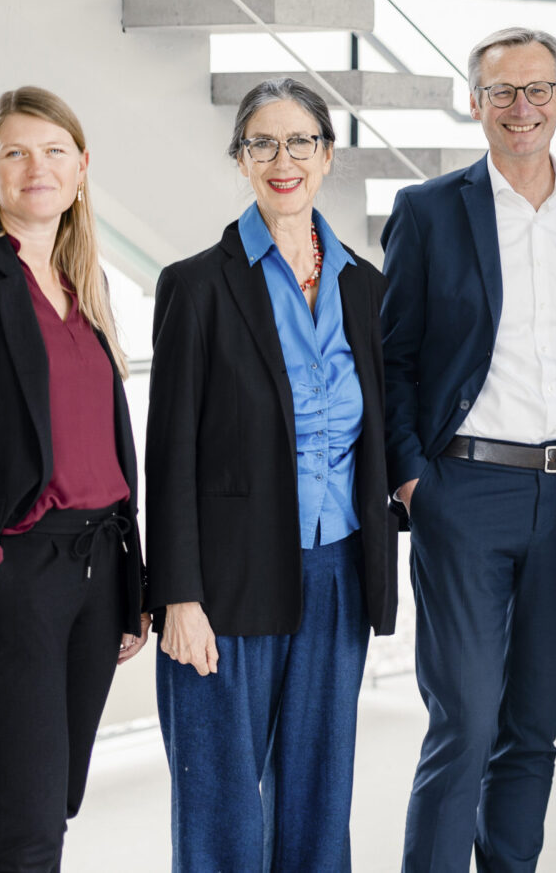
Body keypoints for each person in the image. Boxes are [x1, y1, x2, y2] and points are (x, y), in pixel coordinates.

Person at [381, 26, 556, 871]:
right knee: (466, 719)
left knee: (532, 725)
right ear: (475, 101)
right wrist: (415, 481)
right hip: (465, 489)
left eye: (537, 90)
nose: (521, 108)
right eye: (502, 92)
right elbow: (392, 358)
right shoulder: (428, 211)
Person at [144, 77, 399, 872]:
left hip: (338, 573)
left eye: (300, 143)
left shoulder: (365, 284)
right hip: (224, 583)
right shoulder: (197, 285)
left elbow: (382, 434)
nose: (282, 159)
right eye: (263, 143)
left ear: (326, 157)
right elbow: (170, 452)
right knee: (220, 805)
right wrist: (177, 596)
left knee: (320, 799)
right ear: (242, 160)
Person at [0, 86, 148, 870]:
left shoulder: (86, 288)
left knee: (50, 815)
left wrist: (129, 581)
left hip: (95, 575)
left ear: (82, 168)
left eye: (53, 151)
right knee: (21, 838)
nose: (35, 167)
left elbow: (101, 451)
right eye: (14, 151)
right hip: (10, 574)